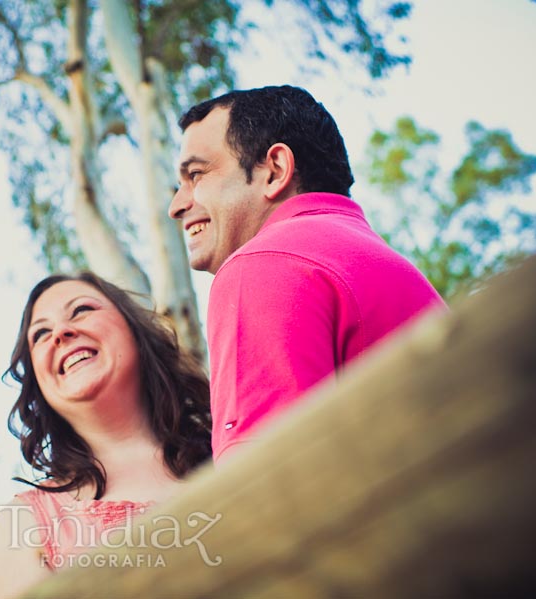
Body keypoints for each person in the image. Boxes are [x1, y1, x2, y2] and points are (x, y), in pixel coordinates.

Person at [168, 85, 446, 463]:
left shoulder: (262, 263)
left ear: (275, 170)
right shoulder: (369, 256)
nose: (177, 206)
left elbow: (264, 479)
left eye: (196, 175)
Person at [0, 272, 211, 598]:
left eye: (81, 310)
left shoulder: (232, 449)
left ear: (135, 330)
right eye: (41, 334)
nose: (61, 333)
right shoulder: (24, 522)